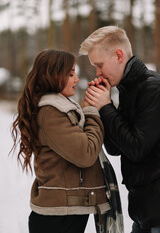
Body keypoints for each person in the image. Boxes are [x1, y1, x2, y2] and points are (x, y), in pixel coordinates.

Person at [10, 49, 123, 233]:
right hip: (57, 217)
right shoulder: (51, 112)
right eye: (71, 74)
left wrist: (89, 106)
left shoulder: (62, 108)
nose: (77, 79)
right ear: (53, 76)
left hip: (65, 212)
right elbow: (86, 153)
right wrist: (92, 111)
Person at [79, 25, 160, 233]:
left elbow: (136, 148)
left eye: (99, 65)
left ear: (118, 55)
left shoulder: (152, 89)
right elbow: (117, 148)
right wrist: (103, 109)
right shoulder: (127, 89)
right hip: (145, 215)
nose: (98, 73)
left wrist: (106, 108)